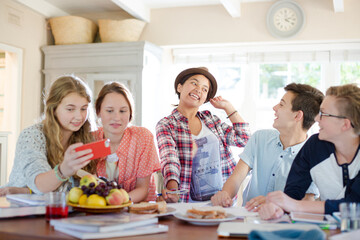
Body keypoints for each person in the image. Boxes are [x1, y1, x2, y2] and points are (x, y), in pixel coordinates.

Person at [211, 83, 324, 209]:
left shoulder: (313, 156)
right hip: (248, 220)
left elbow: (307, 201)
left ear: (297, 115)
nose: (274, 107)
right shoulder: (260, 138)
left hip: (285, 224)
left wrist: (276, 204)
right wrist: (224, 195)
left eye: (281, 104)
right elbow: (236, 178)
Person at [259, 84, 360, 220]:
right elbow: (292, 192)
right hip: (331, 231)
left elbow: (354, 204)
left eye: (323, 114)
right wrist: (278, 208)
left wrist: (295, 206)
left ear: (345, 124)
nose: (317, 119)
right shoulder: (314, 146)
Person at [156, 67, 250, 203]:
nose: (199, 89)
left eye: (204, 89)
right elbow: (170, 160)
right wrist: (173, 192)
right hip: (189, 203)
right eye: (194, 83)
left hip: (222, 200)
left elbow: (244, 139)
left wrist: (228, 107)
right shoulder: (166, 124)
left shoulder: (211, 120)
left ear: (205, 98)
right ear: (179, 87)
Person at [0, 75, 97, 196]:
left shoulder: (86, 138)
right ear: (53, 108)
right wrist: (63, 170)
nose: (79, 116)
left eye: (84, 109)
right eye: (70, 109)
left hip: (61, 212)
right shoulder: (32, 136)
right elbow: (39, 184)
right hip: (19, 209)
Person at [93, 82, 160, 202]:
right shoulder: (90, 140)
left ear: (130, 113)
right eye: (109, 111)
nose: (117, 117)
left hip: (138, 212)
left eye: (123, 111)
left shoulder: (143, 138)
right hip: (99, 212)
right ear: (99, 112)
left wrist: (115, 203)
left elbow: (142, 189)